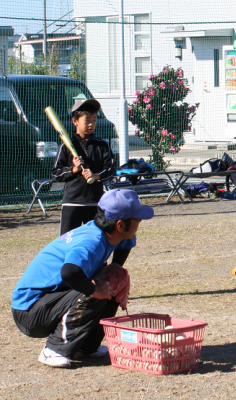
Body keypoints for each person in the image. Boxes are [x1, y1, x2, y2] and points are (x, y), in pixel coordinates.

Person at [11, 189, 154, 368]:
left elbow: (125, 245)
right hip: (29, 312)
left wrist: (116, 269)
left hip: (50, 301)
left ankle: (86, 347)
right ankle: (54, 350)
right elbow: (70, 273)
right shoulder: (91, 242)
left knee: (111, 282)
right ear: (120, 225)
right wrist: (95, 290)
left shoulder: (110, 231)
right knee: (95, 290)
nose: (140, 222)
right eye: (137, 219)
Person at [52, 99, 116, 235]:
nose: (91, 124)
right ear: (75, 121)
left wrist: (96, 176)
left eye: (94, 120)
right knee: (68, 242)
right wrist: (74, 169)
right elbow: (56, 174)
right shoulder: (66, 146)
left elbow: (111, 169)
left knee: (97, 241)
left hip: (96, 203)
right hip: (72, 203)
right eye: (87, 120)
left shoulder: (102, 145)